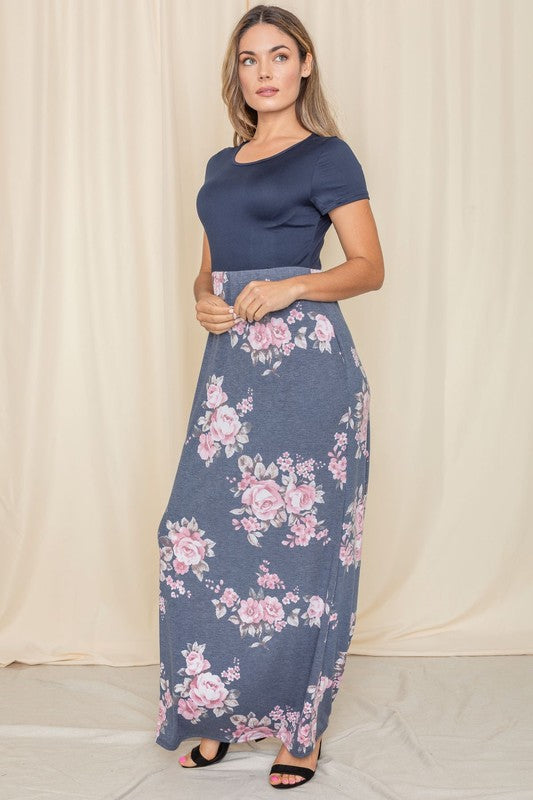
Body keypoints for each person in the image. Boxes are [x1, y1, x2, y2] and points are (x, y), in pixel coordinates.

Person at [155, 3, 384, 790]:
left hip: (308, 370)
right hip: (231, 373)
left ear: (304, 64)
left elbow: (366, 267)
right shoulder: (223, 165)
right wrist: (202, 300)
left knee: (304, 551)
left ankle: (300, 726)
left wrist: (289, 289)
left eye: (278, 56)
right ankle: (222, 708)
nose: (264, 72)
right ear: (239, 73)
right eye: (249, 60)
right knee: (199, 538)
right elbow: (208, 266)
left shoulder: (328, 156)